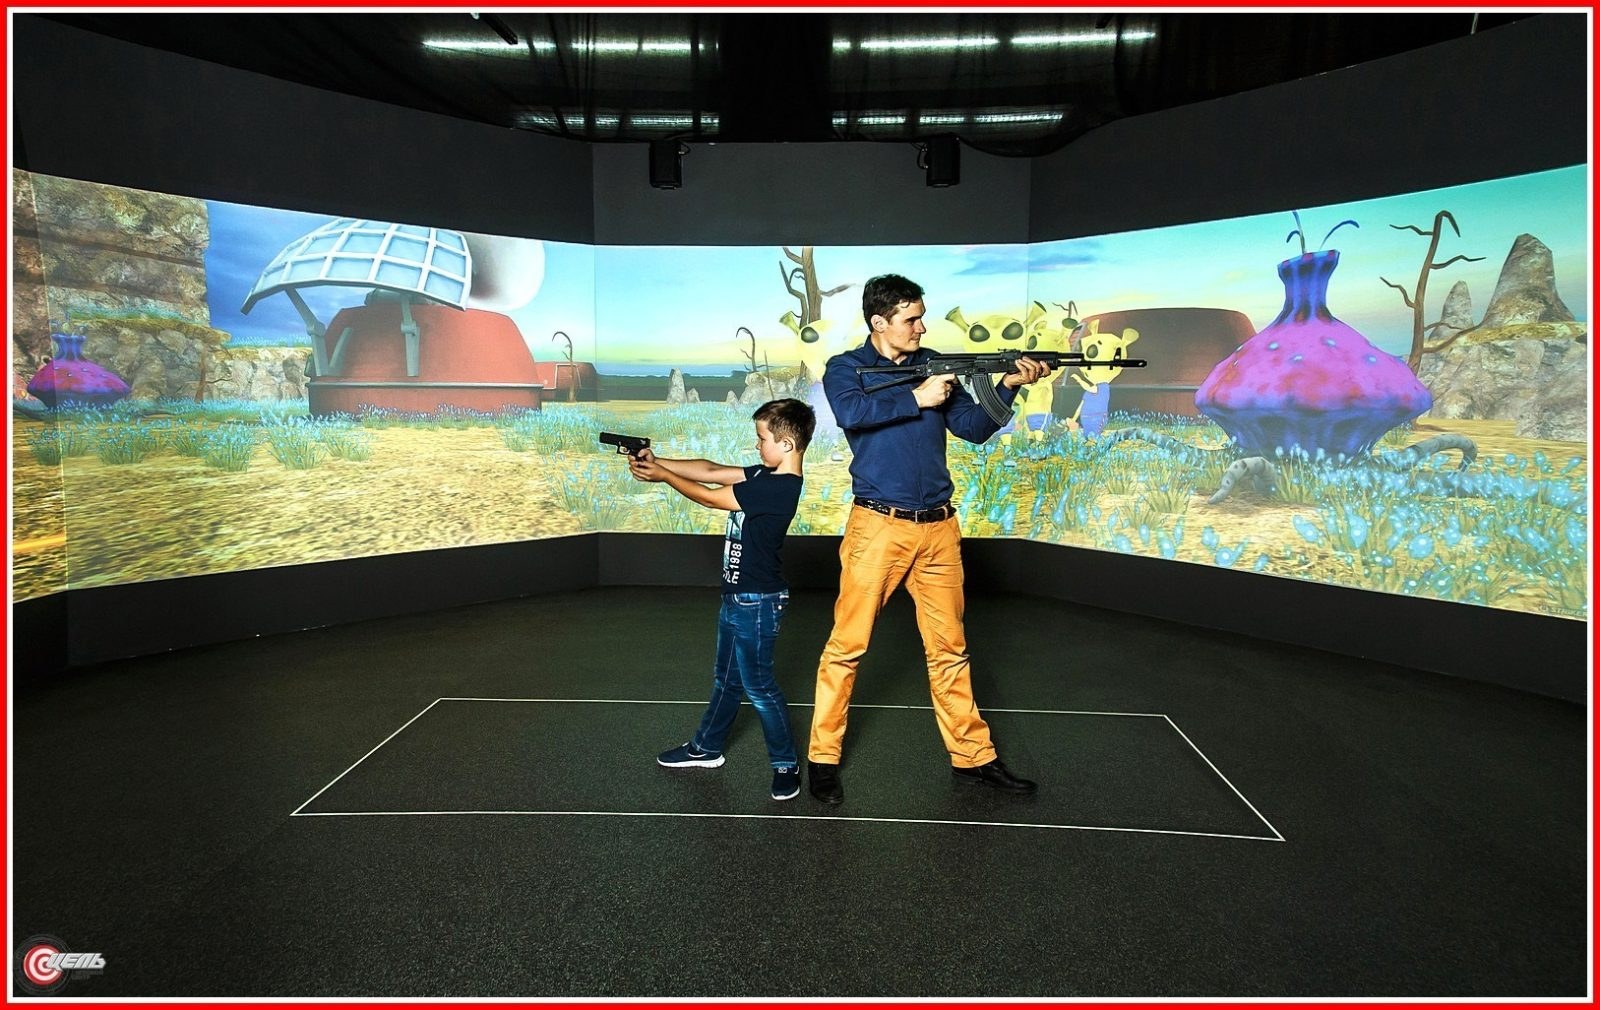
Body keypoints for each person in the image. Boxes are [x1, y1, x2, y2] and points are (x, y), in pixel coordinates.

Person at [807, 274, 1051, 804]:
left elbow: (973, 428)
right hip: (878, 527)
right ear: (880, 322)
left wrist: (1009, 386)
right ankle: (822, 759)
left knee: (950, 650)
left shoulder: (935, 362)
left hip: (940, 530)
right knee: (847, 648)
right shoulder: (845, 368)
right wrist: (916, 396)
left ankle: (973, 758)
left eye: (921, 317)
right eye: (911, 319)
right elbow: (851, 413)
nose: (921, 328)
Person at [629, 398, 816, 801]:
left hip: (758, 602)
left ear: (786, 444)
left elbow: (711, 496)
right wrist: (660, 461)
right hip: (737, 596)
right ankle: (706, 748)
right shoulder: (765, 474)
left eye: (762, 439)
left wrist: (663, 476)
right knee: (727, 679)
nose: (756, 445)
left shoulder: (779, 488)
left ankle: (785, 765)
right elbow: (711, 471)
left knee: (760, 687)